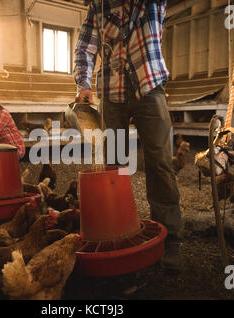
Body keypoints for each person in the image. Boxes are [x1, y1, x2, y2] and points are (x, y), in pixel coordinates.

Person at [73, 0, 182, 271]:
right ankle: (119, 228)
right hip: (113, 94)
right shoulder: (98, 6)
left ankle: (171, 238)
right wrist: (84, 83)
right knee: (115, 167)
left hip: (150, 87)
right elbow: (85, 48)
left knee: (160, 163)